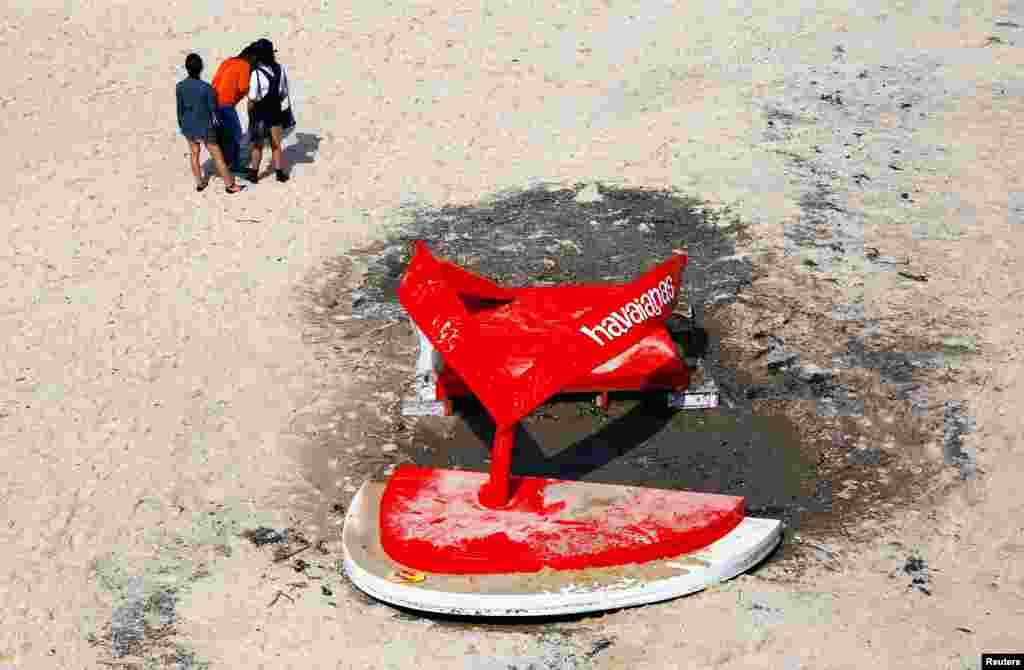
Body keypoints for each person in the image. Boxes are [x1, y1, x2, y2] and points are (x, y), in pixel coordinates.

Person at [175, 53, 245, 193]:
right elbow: (214, 112)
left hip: (188, 125)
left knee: (194, 153)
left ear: (187, 68)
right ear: (201, 68)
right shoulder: (206, 88)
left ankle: (200, 183)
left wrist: (182, 126)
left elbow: (180, 109)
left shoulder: (180, 86)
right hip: (205, 127)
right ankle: (230, 185)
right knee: (218, 157)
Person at [246, 38, 290, 184]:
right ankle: (279, 172)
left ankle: (254, 174)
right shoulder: (280, 69)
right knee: (276, 144)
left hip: (260, 113)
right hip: (275, 110)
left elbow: (252, 98)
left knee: (257, 145)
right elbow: (283, 92)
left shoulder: (256, 74)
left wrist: (250, 113)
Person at [211, 44, 258, 173]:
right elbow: (243, 87)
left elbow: (216, 80)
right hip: (225, 104)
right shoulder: (245, 65)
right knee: (236, 135)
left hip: (212, 100)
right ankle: (235, 165)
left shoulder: (228, 61)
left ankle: (224, 161)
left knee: (223, 134)